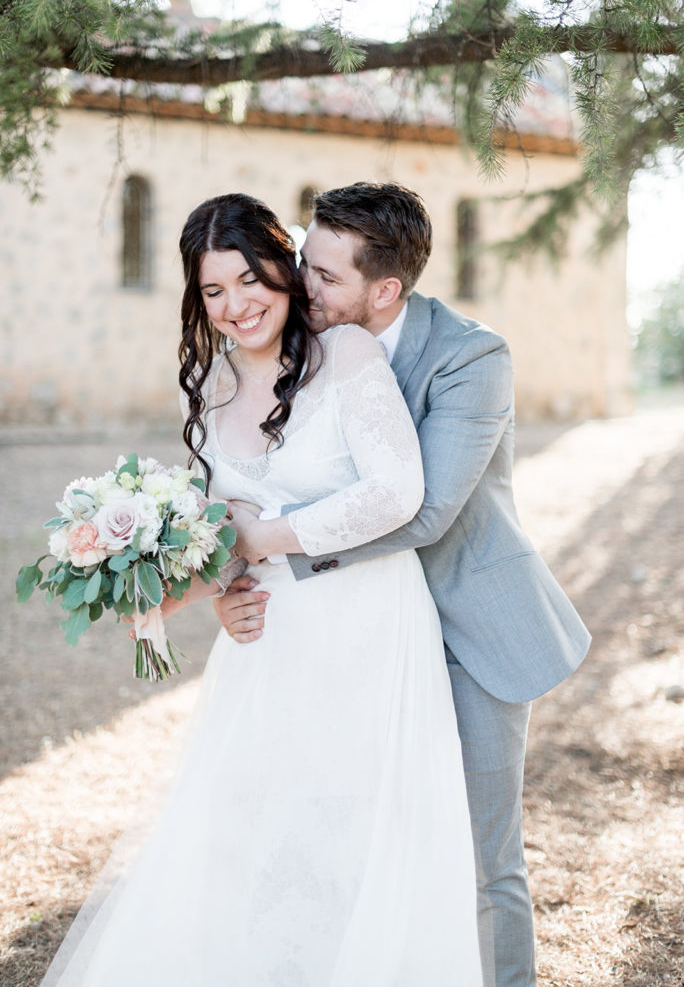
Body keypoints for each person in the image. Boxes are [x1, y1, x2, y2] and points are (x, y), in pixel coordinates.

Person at [40, 192, 483, 987]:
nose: (236, 306)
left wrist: (262, 536)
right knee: (260, 826)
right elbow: (214, 525)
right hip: (270, 637)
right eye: (213, 291)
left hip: (367, 625)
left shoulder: (346, 358)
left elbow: (397, 494)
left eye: (250, 280)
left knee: (355, 825)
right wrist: (209, 590)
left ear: (283, 270)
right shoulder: (205, 386)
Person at [216, 182, 592, 987]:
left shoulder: (471, 358)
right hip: (356, 638)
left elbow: (423, 516)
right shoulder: (302, 348)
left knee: (480, 855)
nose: (298, 286)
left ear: (383, 290)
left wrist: (273, 548)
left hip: (467, 630)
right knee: (355, 843)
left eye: (323, 276)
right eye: (302, 264)